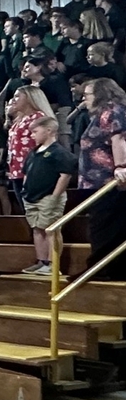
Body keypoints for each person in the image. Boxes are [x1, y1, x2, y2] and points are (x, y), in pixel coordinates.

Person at [78, 79, 126, 281]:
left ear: (101, 93)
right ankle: (106, 268)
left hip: (107, 181)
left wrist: (121, 166)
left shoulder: (113, 111)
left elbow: (120, 138)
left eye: (87, 94)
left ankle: (102, 269)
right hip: (96, 181)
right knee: (104, 225)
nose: (83, 98)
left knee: (104, 226)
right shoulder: (101, 114)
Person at [21, 117, 76, 275]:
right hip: (32, 197)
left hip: (48, 196)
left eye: (35, 131)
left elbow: (65, 175)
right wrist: (25, 189)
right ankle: (42, 261)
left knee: (51, 230)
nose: (32, 135)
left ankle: (54, 264)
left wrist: (55, 196)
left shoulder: (58, 152)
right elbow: (26, 173)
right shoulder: (33, 152)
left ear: (49, 131)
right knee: (37, 229)